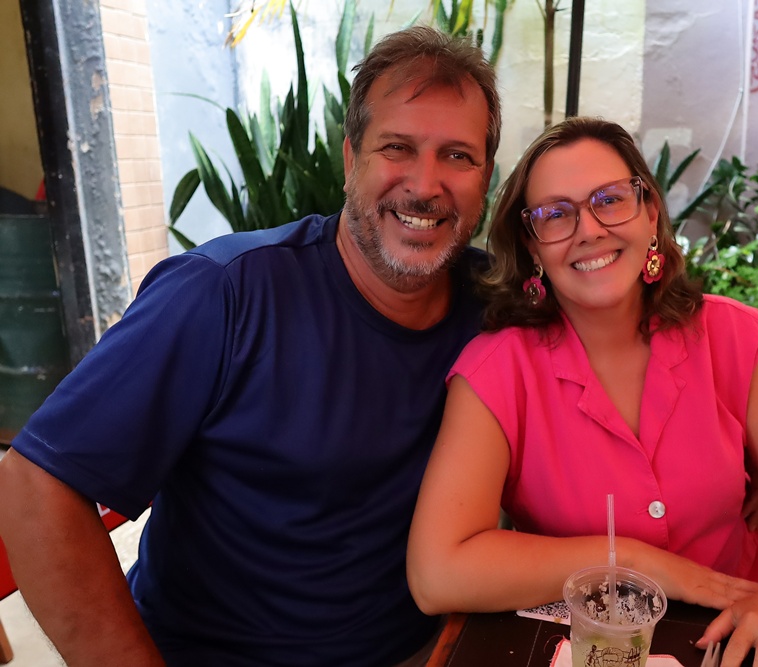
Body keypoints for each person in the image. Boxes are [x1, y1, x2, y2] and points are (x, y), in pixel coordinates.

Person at [0, 26, 499, 667]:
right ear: (351, 160)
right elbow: (35, 485)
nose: (426, 184)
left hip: (423, 648)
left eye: (457, 155)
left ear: (487, 176)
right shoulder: (224, 293)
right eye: (397, 147)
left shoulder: (497, 306)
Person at [406, 117, 758, 667]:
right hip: (598, 642)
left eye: (610, 200)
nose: (589, 229)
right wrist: (632, 561)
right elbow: (437, 573)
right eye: (556, 214)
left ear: (651, 214)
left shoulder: (726, 335)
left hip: (752, 623)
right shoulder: (496, 373)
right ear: (532, 247)